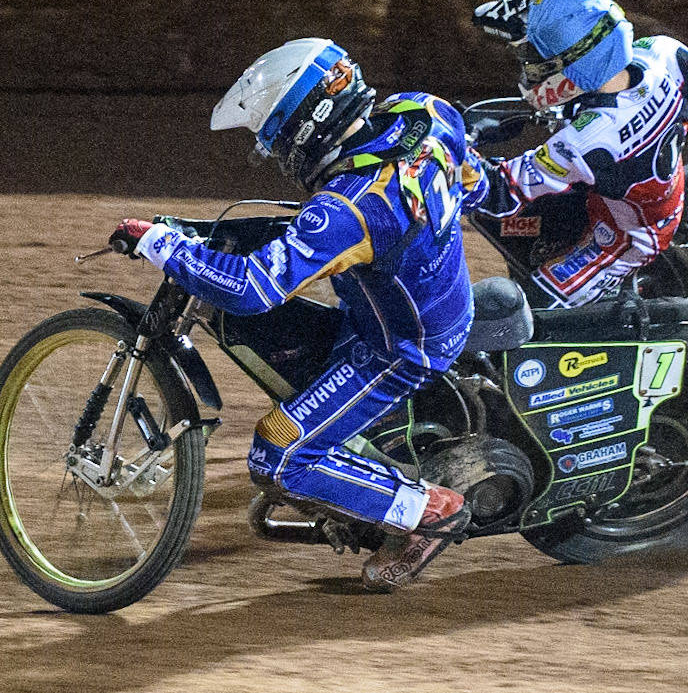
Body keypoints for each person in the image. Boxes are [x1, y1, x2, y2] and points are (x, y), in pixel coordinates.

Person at [108, 37, 492, 590]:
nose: (274, 152)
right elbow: (475, 182)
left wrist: (160, 245)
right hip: (430, 303)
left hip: (399, 348)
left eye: (274, 136)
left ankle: (431, 513)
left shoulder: (348, 208)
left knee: (277, 454)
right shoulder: (425, 112)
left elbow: (252, 289)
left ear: (305, 126)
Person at [470, 0, 688, 533]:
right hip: (632, 190)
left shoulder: (589, 139)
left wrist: (440, 161)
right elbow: (682, 104)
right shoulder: (665, 54)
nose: (528, 68)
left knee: (534, 325)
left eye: (538, 59)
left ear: (579, 64)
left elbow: (499, 190)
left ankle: (624, 438)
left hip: (625, 235)